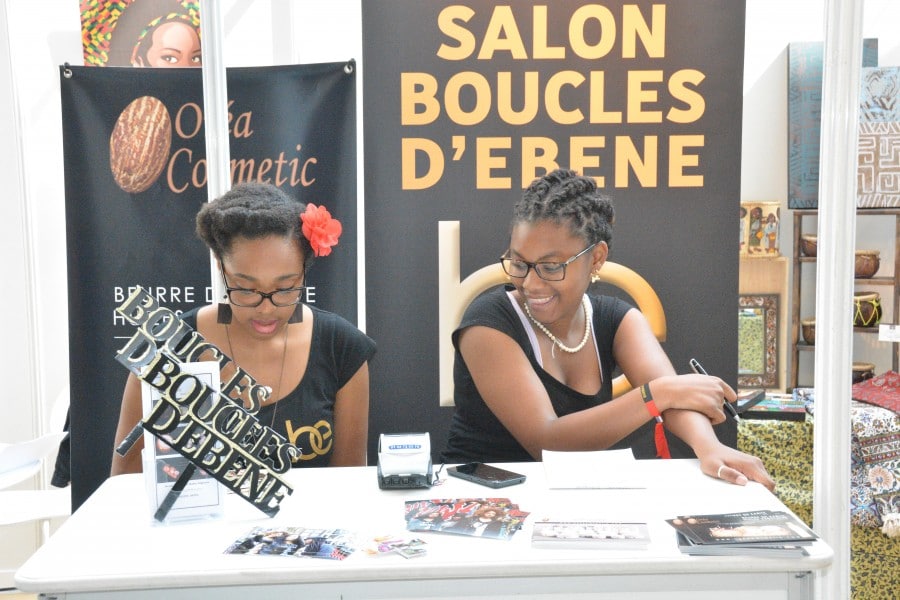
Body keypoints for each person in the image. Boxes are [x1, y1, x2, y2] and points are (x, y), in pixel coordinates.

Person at [441, 169, 774, 491]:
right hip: (479, 503)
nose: (530, 282)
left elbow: (675, 398)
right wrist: (656, 394)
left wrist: (709, 447)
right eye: (518, 264)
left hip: (565, 500)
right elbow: (545, 441)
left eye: (550, 267)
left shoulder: (617, 319)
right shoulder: (488, 322)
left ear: (597, 258)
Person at [110, 182, 375, 475]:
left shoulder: (341, 348)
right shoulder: (167, 347)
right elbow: (124, 481)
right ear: (220, 265)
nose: (266, 309)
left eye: (285, 289)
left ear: (303, 272)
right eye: (246, 289)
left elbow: (348, 482)